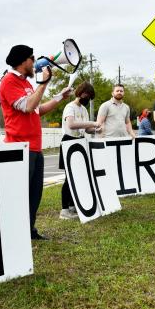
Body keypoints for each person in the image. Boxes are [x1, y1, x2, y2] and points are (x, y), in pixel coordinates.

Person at [0, 44, 72, 240]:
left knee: (35, 193)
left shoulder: (26, 83)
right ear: (23, 61)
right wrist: (44, 82)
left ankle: (28, 230)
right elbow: (28, 107)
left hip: (34, 146)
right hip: (20, 145)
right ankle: (17, 232)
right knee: (21, 195)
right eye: (32, 58)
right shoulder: (9, 81)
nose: (35, 62)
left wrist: (59, 97)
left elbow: (38, 110)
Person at [58, 81, 97, 219]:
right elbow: (71, 124)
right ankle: (64, 210)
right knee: (69, 177)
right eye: (87, 95)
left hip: (80, 141)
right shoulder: (70, 107)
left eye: (90, 97)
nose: (87, 98)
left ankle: (72, 205)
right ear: (81, 93)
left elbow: (86, 128)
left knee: (77, 175)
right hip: (69, 140)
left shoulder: (84, 110)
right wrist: (92, 123)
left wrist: (97, 128)